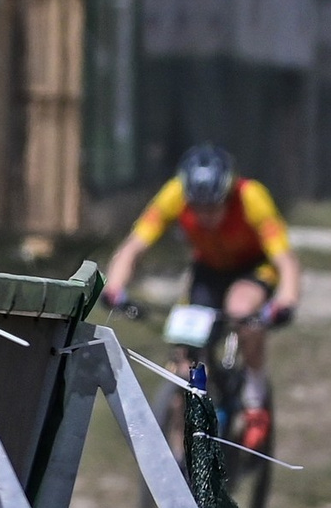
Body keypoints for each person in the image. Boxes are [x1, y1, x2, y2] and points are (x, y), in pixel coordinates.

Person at [101, 143, 300, 448]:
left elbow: (285, 260)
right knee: (186, 355)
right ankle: (184, 449)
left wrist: (285, 301)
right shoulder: (174, 194)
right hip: (208, 269)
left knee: (241, 309)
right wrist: (115, 288)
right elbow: (134, 246)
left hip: (254, 268)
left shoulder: (252, 197)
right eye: (198, 208)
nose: (205, 216)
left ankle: (255, 398)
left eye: (213, 207)